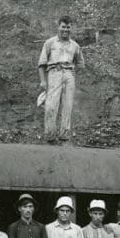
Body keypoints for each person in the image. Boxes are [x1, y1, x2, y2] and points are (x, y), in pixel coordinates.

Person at [38, 15, 84, 144]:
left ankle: (64, 136)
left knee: (67, 106)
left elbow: (80, 63)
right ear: (58, 27)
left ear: (71, 28)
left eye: (68, 27)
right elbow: (41, 64)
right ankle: (50, 136)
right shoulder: (50, 43)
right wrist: (43, 80)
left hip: (69, 73)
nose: (65, 30)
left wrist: (72, 74)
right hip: (54, 72)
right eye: (63, 27)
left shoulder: (75, 46)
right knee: (51, 106)